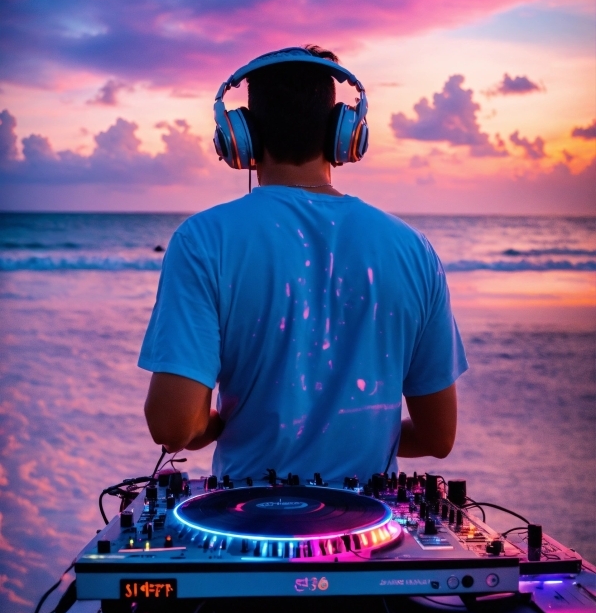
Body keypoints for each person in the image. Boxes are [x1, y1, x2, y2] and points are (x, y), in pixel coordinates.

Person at [139, 45, 468, 483]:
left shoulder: (203, 241)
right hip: (371, 537)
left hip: (249, 532)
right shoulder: (414, 250)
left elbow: (173, 427)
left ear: (241, 137)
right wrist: (355, 436)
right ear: (344, 134)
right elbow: (437, 437)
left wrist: (219, 424)